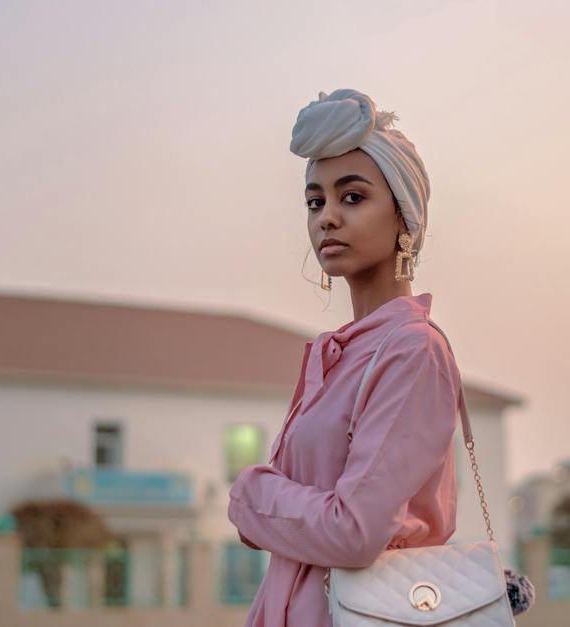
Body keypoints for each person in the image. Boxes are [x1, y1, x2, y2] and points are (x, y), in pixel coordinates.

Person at [227, 89, 462, 626]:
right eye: (315, 201)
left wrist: (250, 494)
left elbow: (354, 530)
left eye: (352, 198)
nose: (327, 217)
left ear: (404, 214)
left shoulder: (412, 351)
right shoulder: (335, 356)